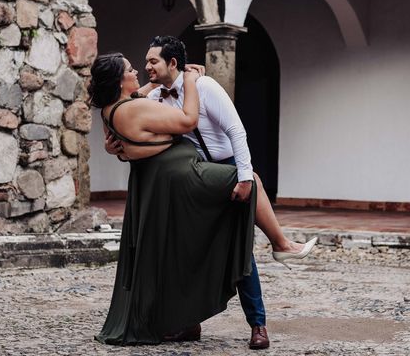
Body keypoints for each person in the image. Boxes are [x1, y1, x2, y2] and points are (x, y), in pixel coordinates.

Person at [105, 36, 317, 350]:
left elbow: (236, 130)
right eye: (145, 61)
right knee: (189, 251)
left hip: (224, 168)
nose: (146, 65)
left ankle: (258, 323)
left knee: (240, 249)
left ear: (172, 63)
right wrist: (112, 146)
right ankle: (190, 323)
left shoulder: (205, 87)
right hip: (196, 178)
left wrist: (244, 177)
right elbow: (127, 115)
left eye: (153, 61)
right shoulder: (153, 100)